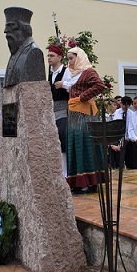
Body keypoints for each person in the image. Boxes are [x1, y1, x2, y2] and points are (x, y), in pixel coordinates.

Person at [58, 47, 105, 193]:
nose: (69, 62)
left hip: (85, 114)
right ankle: (78, 182)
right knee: (75, 146)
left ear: (79, 57)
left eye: (71, 58)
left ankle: (91, 182)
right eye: (68, 58)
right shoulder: (73, 74)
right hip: (74, 113)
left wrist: (82, 98)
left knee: (86, 145)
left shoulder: (88, 71)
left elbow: (99, 85)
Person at [3, 7, 46, 88]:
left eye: (11, 25)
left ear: (24, 28)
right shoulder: (15, 53)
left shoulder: (34, 52)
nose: (5, 30)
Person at [47, 44, 70, 176]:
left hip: (64, 112)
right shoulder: (50, 74)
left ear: (60, 57)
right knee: (56, 145)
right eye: (48, 56)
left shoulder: (66, 71)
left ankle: (66, 175)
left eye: (52, 56)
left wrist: (64, 84)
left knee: (63, 145)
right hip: (53, 113)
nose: (49, 58)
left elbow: (73, 86)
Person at [109, 96, 133, 169]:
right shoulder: (116, 113)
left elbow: (131, 127)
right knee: (117, 162)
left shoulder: (132, 114)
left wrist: (127, 139)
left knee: (128, 160)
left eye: (127, 105)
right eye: (123, 105)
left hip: (127, 139)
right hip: (116, 139)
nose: (125, 107)